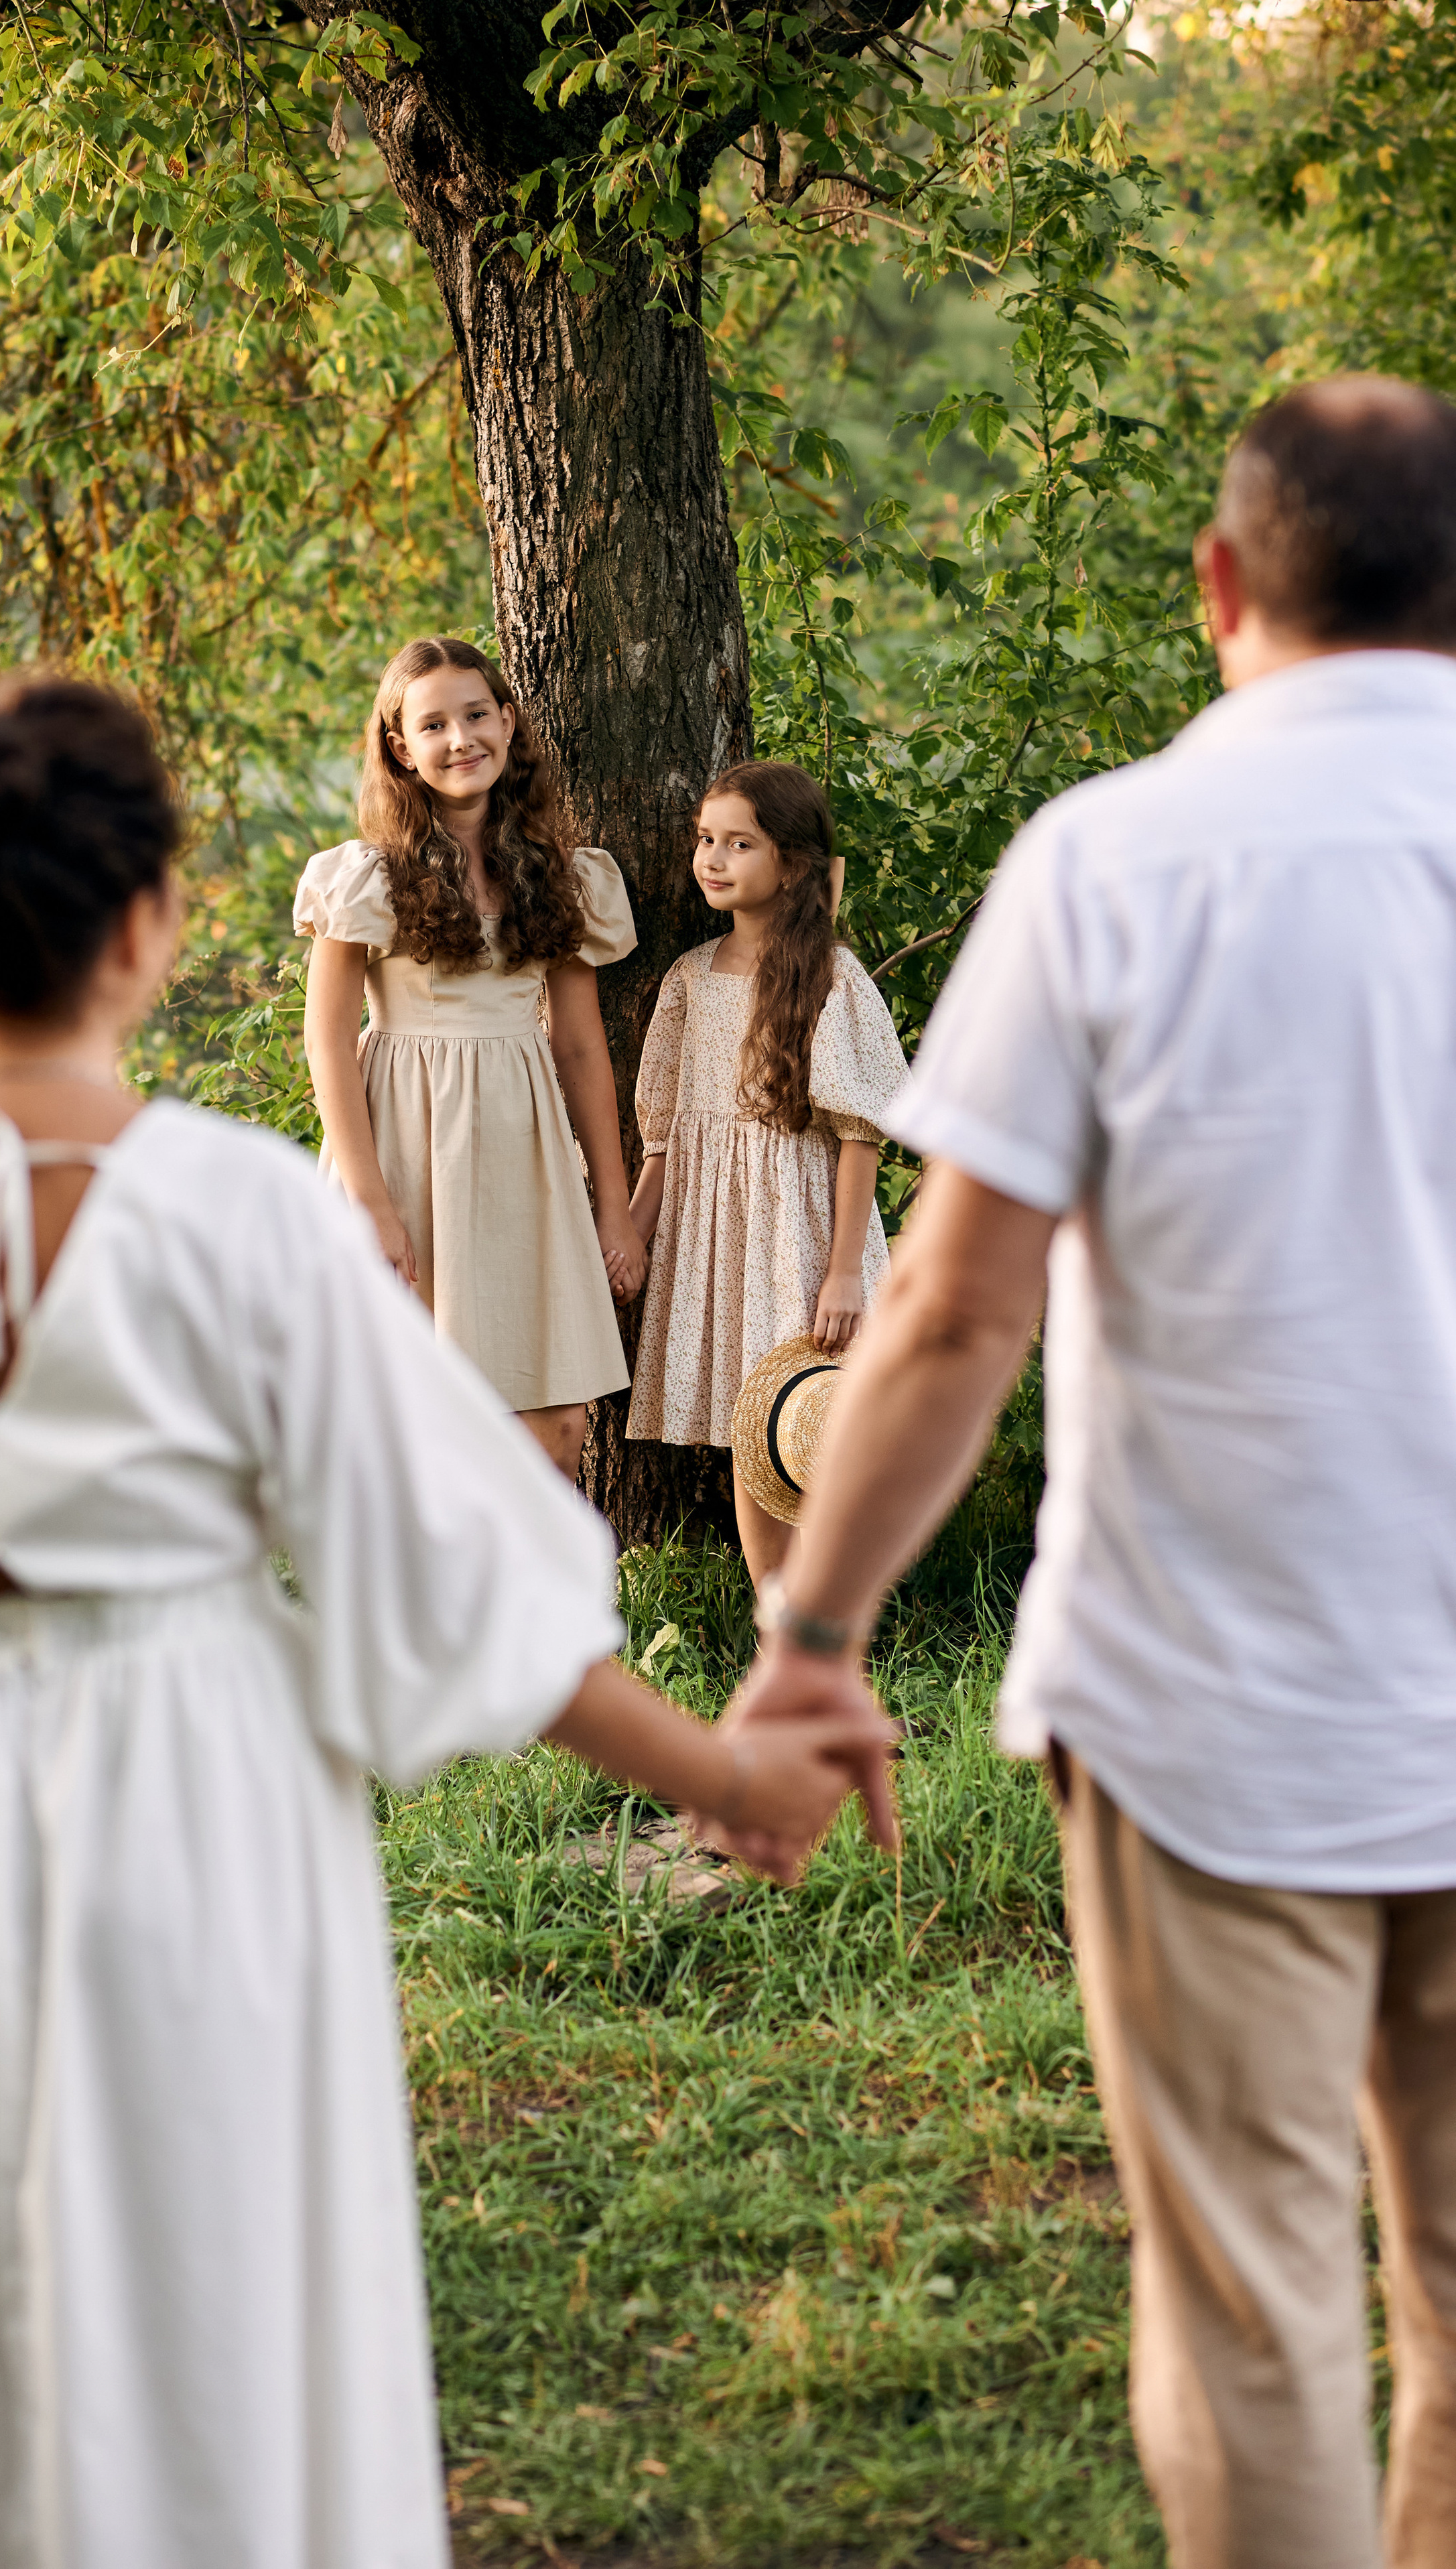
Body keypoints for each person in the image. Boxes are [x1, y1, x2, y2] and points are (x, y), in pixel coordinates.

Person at [0, 671, 893, 2569]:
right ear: (152, 922)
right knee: (207, 2299)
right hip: (194, 1791)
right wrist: (733, 1768)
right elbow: (455, 1584)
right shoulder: (236, 1210)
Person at [718, 378, 1456, 2569]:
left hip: (1212, 1715)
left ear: (1223, 583)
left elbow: (951, 1313)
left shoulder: (1114, 862)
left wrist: (816, 1632)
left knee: (1248, 2320)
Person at [297, 635, 647, 1481]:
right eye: (434, 725)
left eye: (476, 715)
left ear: (508, 721)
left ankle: (545, 1611)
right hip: (403, 1148)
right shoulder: (368, 878)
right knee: (407, 1416)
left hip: (522, 1152)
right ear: (400, 748)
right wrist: (370, 1204)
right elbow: (327, 1043)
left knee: (556, 1422)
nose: (461, 740)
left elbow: (578, 1046)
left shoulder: (563, 876)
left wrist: (613, 1207)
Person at [624, 761, 909, 1587]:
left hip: (803, 1237)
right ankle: (773, 1617)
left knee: (814, 1420)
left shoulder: (831, 977)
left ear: (789, 862)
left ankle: (834, 1619)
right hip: (718, 1245)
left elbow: (861, 1133)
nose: (711, 859)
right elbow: (667, 1137)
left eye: (737, 844)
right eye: (705, 841)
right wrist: (631, 1240)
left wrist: (845, 1271)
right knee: (762, 1431)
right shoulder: (687, 977)